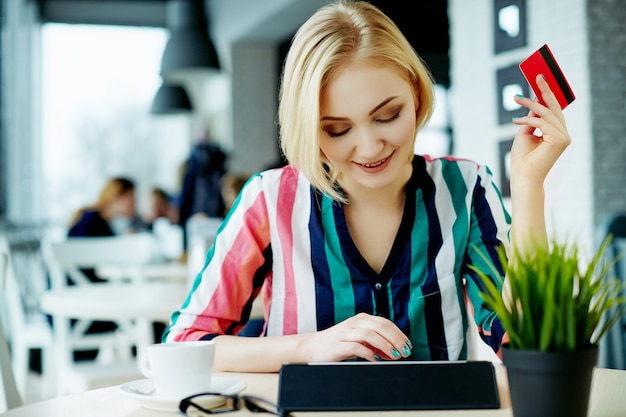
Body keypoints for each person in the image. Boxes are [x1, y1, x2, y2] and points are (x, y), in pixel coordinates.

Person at [163, 0, 571, 373]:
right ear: (310, 130)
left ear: (415, 94)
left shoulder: (465, 187)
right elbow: (182, 346)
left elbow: (526, 342)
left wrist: (528, 183)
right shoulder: (269, 199)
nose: (370, 147)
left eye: (387, 115)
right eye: (338, 130)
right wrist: (309, 347)